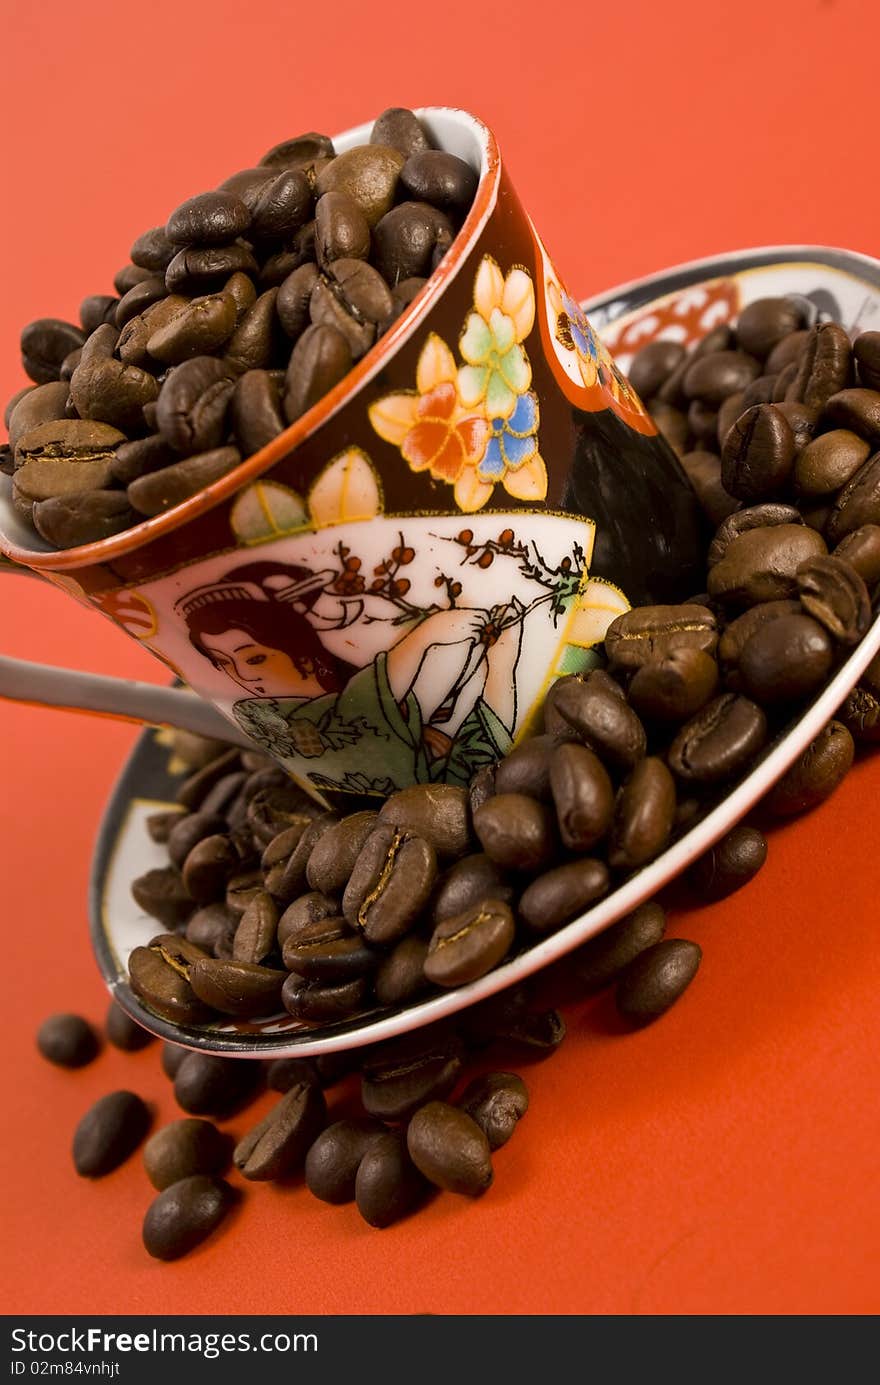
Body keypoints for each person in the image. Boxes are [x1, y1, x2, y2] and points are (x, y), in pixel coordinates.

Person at [179, 559, 526, 796]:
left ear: (298, 649)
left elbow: (481, 763)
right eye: (222, 663)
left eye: (254, 657)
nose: (241, 676)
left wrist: (502, 664)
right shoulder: (260, 716)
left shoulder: (402, 712)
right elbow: (347, 724)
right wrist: (423, 638)